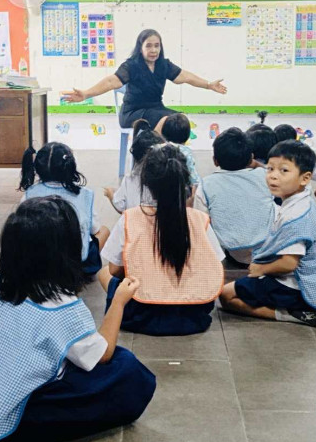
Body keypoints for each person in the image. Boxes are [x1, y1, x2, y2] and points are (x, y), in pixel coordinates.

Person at [0, 197, 156, 442]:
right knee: (127, 368)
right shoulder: (61, 305)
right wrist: (118, 301)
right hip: (24, 418)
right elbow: (103, 354)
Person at [98, 144, 225, 336]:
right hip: (193, 314)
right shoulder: (199, 219)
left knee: (103, 272)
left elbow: (115, 270)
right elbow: (216, 263)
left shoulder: (130, 217)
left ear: (146, 183)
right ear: (184, 182)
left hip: (140, 314)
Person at [218, 141, 316, 327]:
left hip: (294, 285)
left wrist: (261, 269)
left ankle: (293, 314)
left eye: (284, 171)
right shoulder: (301, 202)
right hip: (305, 281)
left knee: (225, 296)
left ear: (305, 178)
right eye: (270, 169)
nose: (273, 176)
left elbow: (289, 263)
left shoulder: (296, 216)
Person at [62, 29, 227, 129]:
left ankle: (174, 160)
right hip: (132, 112)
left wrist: (208, 85)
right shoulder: (131, 65)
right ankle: (153, 158)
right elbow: (111, 82)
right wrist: (86, 94)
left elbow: (185, 77)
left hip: (156, 108)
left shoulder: (164, 65)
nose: (153, 50)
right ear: (140, 48)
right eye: (148, 45)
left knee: (180, 121)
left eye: (157, 45)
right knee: (165, 121)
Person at [19, 142, 109, 275]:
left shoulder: (29, 194)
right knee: (104, 230)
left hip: (39, 264)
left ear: (37, 167)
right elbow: (94, 229)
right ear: (70, 166)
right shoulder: (84, 194)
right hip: (80, 265)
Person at [195, 128, 274, 266]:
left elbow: (201, 223)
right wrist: (259, 165)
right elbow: (281, 177)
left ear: (215, 161)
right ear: (251, 158)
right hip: (270, 249)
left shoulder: (206, 185)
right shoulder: (265, 176)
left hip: (234, 254)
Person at [103, 119, 164, 213]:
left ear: (135, 156)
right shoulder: (168, 177)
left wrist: (110, 194)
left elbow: (120, 207)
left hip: (135, 221)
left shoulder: (129, 180)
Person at [161, 113, 200, 189]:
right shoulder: (186, 153)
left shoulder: (159, 149)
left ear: (164, 132)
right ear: (187, 135)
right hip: (181, 191)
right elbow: (195, 180)